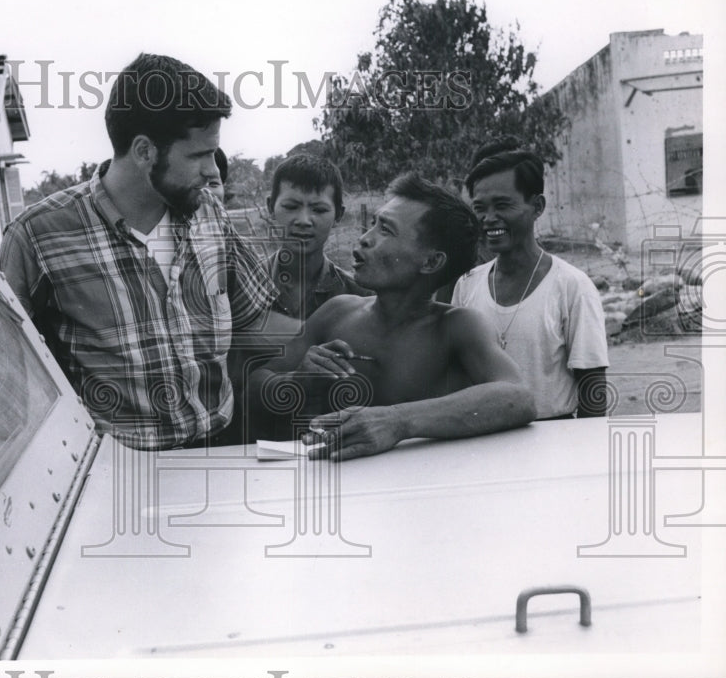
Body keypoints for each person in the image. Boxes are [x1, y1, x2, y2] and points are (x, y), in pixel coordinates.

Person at [0, 52, 298, 450]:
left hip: (220, 448)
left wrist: (350, 329)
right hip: (116, 474)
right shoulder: (37, 236)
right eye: (198, 155)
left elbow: (256, 322)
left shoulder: (209, 214)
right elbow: (5, 375)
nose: (213, 171)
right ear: (144, 152)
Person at [248, 172, 536, 461]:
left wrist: (398, 421)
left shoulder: (455, 327)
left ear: (431, 261)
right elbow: (255, 384)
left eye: (385, 230)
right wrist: (296, 381)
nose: (364, 239)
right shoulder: (337, 313)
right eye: (373, 223)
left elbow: (518, 396)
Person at [452, 137, 609, 419]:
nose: (489, 218)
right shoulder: (466, 285)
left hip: (553, 443)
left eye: (502, 205)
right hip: (482, 440)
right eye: (480, 208)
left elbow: (593, 389)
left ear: (537, 207)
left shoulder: (572, 286)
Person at [265, 154, 371, 320]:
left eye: (319, 210)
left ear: (338, 215)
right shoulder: (241, 287)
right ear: (271, 207)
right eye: (291, 207)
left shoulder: (360, 296)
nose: (304, 221)